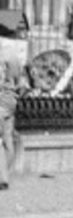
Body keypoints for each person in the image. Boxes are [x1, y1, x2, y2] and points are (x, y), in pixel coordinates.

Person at [0, 48, 25, 191]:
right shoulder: (13, 56)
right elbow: (20, 81)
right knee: (8, 139)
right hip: (11, 101)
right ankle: (5, 174)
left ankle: (2, 178)